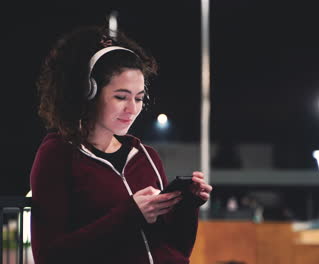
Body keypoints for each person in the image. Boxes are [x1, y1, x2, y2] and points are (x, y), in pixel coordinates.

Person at [29, 25, 212, 264]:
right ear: (89, 93)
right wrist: (131, 214)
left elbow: (177, 249)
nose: (133, 109)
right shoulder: (57, 155)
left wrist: (188, 207)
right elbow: (49, 256)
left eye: (138, 98)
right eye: (121, 97)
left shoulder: (147, 157)